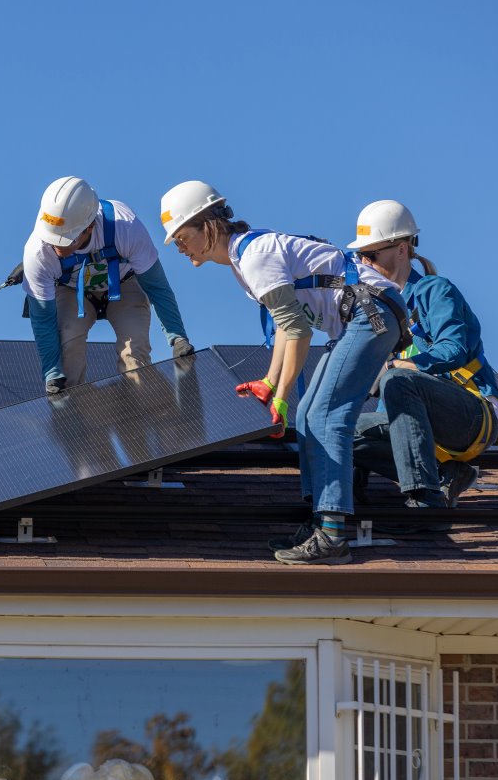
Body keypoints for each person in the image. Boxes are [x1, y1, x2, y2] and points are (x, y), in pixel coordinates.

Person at [159, 181, 409, 565]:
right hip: (364, 315)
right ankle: (319, 524)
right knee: (309, 417)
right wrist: (270, 382)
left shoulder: (255, 256)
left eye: (181, 236)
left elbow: (298, 331)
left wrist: (280, 395)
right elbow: (283, 327)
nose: (179, 246)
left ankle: (332, 534)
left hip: (368, 313)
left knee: (328, 416)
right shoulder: (245, 259)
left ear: (208, 225)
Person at [349, 200, 498, 517]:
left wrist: (398, 366)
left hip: (472, 413)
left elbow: (453, 349)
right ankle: (445, 474)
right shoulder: (377, 313)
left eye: (372, 254)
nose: (365, 262)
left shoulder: (434, 292)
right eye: (360, 255)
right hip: (418, 426)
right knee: (336, 428)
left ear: (402, 249)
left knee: (395, 378)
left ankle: (425, 501)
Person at [21, 177, 194, 394]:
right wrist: (52, 372)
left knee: (134, 354)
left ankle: (139, 418)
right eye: (52, 238)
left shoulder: (126, 227)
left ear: (90, 227)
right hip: (72, 290)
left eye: (66, 240)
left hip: (124, 284)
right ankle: (71, 417)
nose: (56, 246)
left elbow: (156, 287)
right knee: (68, 342)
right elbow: (43, 319)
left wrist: (177, 336)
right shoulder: (38, 252)